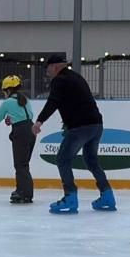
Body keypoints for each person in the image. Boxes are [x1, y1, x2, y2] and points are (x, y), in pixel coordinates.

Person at [32, 53, 115, 214]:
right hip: (96, 125)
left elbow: (53, 102)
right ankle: (107, 195)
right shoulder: (76, 77)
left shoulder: (59, 80)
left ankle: (70, 197)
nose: (47, 71)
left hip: (80, 127)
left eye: (48, 67)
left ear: (55, 67)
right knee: (91, 161)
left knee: (62, 159)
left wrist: (39, 121)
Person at [0, 74, 34, 204]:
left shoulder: (8, 102)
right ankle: (24, 191)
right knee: (24, 164)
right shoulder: (26, 100)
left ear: (8, 90)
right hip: (31, 129)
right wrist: (13, 118)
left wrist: (10, 116)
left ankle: (24, 193)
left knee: (20, 165)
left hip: (20, 132)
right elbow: (29, 115)